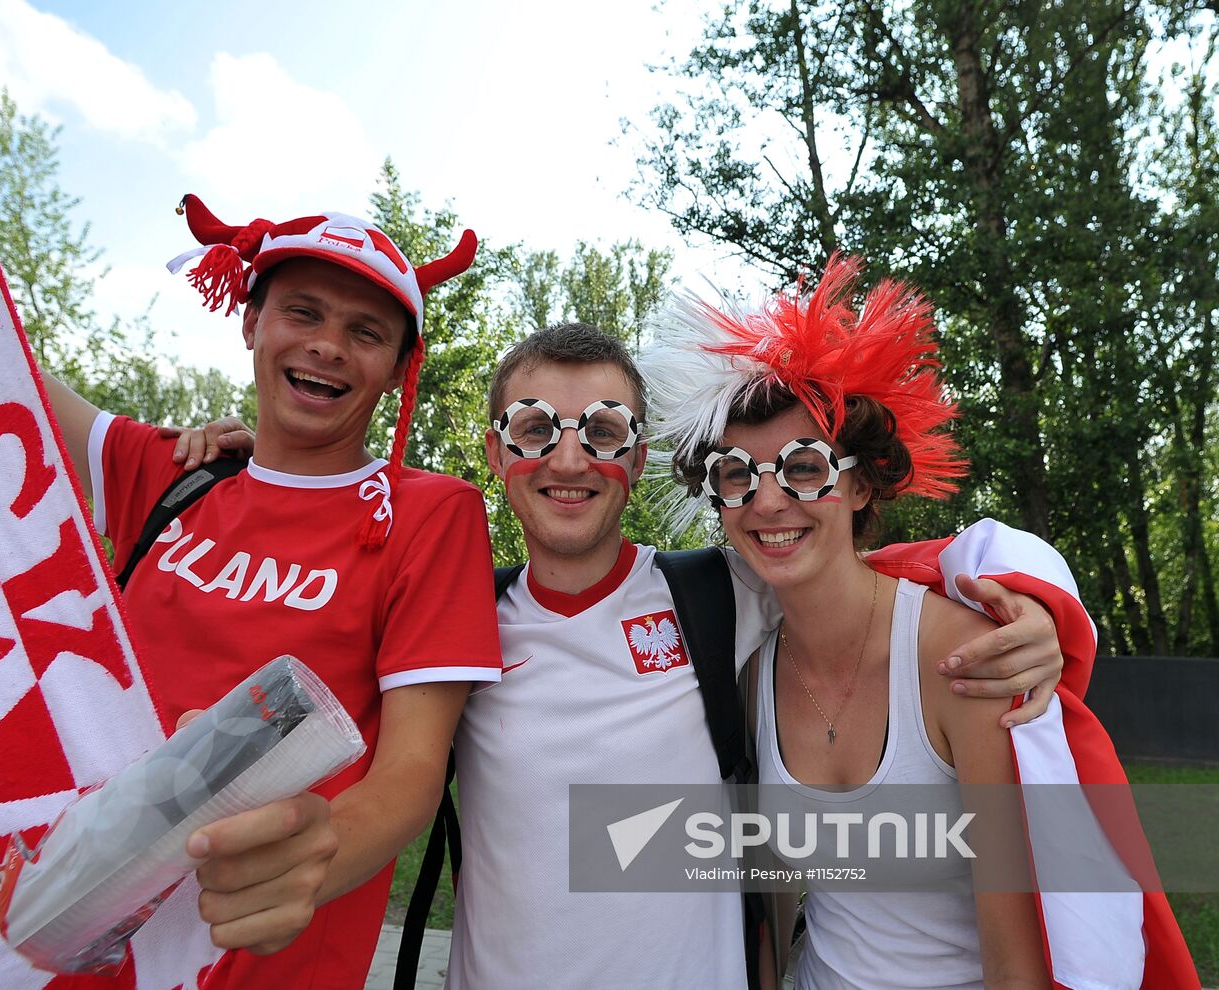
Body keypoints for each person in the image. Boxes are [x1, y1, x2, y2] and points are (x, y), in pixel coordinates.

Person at [0, 22, 503, 990]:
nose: (325, 347)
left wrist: (308, 860)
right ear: (252, 324)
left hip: (247, 944)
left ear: (398, 371)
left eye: (365, 332)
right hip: (39, 911)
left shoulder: (431, 514)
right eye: (301, 313)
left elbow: (409, 773)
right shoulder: (170, 468)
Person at [444, 321, 1089, 989]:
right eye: (534, 430)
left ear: (637, 460)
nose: (570, 460)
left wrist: (1038, 599)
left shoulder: (720, 599)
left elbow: (892, 570)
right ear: (496, 452)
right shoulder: (453, 627)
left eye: (604, 432)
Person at [641, 257, 1198, 988]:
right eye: (737, 475)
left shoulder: (965, 661)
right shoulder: (749, 671)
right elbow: (771, 907)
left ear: (862, 480)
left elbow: (1017, 961)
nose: (767, 502)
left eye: (804, 466)